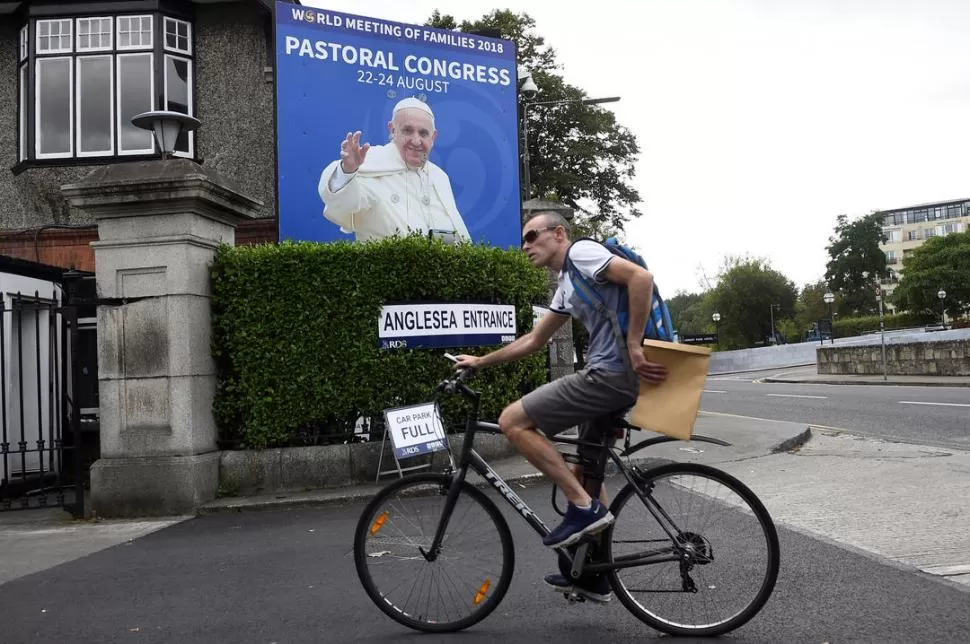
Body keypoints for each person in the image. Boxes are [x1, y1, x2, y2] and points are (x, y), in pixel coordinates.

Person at [453, 211, 668, 603]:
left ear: (559, 233)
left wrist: (634, 345)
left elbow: (641, 278)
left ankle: (584, 509)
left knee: (512, 420)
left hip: (611, 375)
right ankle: (595, 575)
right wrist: (480, 362)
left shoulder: (584, 253)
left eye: (532, 236)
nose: (526, 245)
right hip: (614, 377)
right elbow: (534, 340)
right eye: (523, 240)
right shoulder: (567, 283)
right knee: (584, 469)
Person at [317, 98, 471, 243]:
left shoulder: (439, 177)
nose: (416, 141)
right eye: (407, 131)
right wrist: (348, 171)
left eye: (423, 133)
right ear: (392, 129)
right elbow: (345, 202)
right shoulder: (370, 163)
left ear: (434, 137)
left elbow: (453, 230)